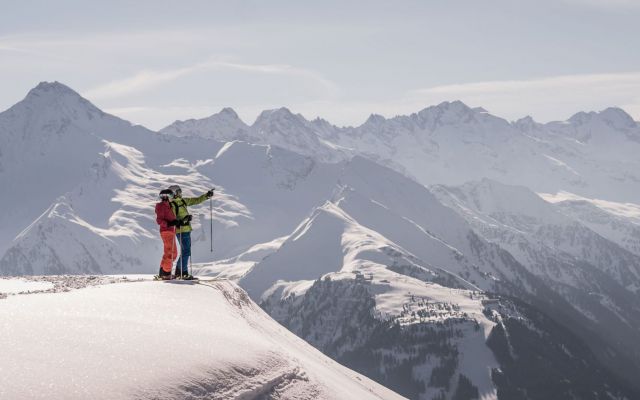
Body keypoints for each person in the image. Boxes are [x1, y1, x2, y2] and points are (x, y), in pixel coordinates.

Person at [168, 185, 214, 279]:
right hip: (180, 230)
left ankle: (179, 271)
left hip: (186, 229)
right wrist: (184, 219)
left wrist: (206, 196)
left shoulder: (183, 201)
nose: (180, 193)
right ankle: (182, 272)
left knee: (186, 251)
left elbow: (196, 200)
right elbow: (173, 219)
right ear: (175, 193)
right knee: (186, 251)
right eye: (179, 192)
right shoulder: (172, 205)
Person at [154, 188, 180, 280]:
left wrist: (176, 222)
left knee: (170, 253)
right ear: (167, 197)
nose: (172, 198)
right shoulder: (161, 206)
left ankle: (162, 272)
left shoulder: (168, 206)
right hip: (166, 231)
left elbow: (170, 218)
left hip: (170, 231)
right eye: (171, 196)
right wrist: (170, 223)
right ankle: (166, 273)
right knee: (171, 253)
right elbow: (159, 220)